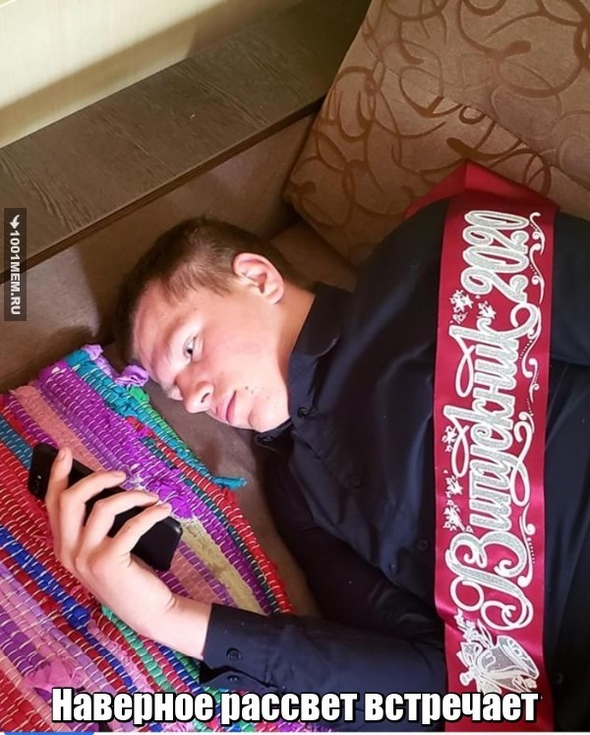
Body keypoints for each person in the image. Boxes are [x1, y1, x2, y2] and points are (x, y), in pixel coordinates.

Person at [46, 199, 590, 731]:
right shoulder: (296, 494)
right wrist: (165, 616)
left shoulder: (434, 258)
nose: (193, 398)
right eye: (175, 390)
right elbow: (435, 691)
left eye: (189, 348)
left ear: (258, 278)